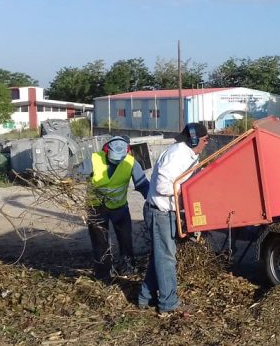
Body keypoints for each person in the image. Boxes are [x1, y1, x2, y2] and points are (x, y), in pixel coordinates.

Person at [138, 123, 209, 315]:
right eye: (205, 139)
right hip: (160, 212)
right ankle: (168, 304)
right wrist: (187, 192)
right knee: (166, 258)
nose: (206, 143)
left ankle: (144, 297)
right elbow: (162, 186)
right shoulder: (176, 155)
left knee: (160, 257)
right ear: (194, 139)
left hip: (168, 211)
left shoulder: (190, 155)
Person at [77, 135, 149, 282]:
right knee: (100, 243)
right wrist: (70, 179)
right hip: (96, 208)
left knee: (125, 240)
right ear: (106, 150)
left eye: (119, 158)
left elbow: (142, 184)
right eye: (113, 157)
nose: (116, 160)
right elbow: (76, 174)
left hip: (119, 208)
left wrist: (153, 198)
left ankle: (128, 268)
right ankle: (103, 274)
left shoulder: (131, 162)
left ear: (127, 152)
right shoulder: (94, 159)